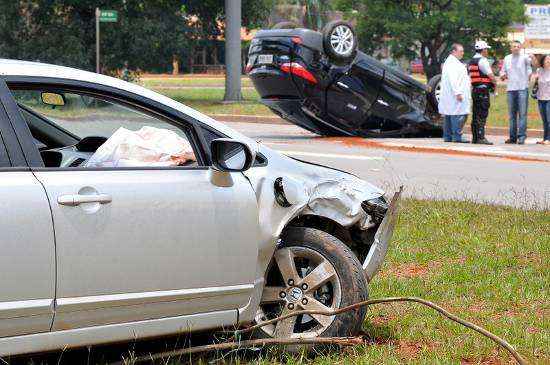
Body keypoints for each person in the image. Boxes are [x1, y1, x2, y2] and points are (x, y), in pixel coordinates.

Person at [501, 41, 532, 144]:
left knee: (522, 114)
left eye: (518, 46)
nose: (516, 48)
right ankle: (512, 137)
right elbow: (503, 71)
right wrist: (503, 75)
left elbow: (529, 69)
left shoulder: (524, 57)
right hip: (511, 89)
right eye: (514, 46)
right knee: (512, 115)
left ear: (520, 48)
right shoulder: (507, 58)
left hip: (522, 88)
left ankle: (522, 136)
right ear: (511, 48)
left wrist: (529, 76)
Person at [439, 43, 471, 143]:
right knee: (457, 115)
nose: (463, 53)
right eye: (460, 51)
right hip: (455, 94)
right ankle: (457, 136)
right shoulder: (452, 63)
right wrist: (458, 93)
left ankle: (448, 136)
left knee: (449, 114)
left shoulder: (451, 62)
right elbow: (453, 79)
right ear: (454, 51)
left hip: (451, 95)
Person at [468, 40, 497, 144]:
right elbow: (491, 76)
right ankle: (481, 137)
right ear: (483, 50)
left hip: (475, 90)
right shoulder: (483, 61)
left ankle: (475, 137)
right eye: (486, 49)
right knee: (482, 113)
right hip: (483, 91)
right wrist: (495, 84)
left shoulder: (471, 61)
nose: (487, 51)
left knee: (476, 114)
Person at [532, 54, 550, 144]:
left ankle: (549, 139)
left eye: (549, 60)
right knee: (544, 120)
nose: (548, 61)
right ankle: (545, 138)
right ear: (543, 61)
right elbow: (535, 82)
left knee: (549, 119)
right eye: (546, 59)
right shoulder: (540, 70)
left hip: (549, 99)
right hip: (541, 98)